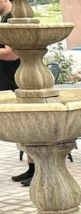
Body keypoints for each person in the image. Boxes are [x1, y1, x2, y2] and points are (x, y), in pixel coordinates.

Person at [0, 0, 32, 187]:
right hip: (10, 81)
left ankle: (36, 169)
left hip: (17, 81)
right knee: (24, 128)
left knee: (28, 126)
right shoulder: (5, 18)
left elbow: (13, 54)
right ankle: (32, 167)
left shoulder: (13, 18)